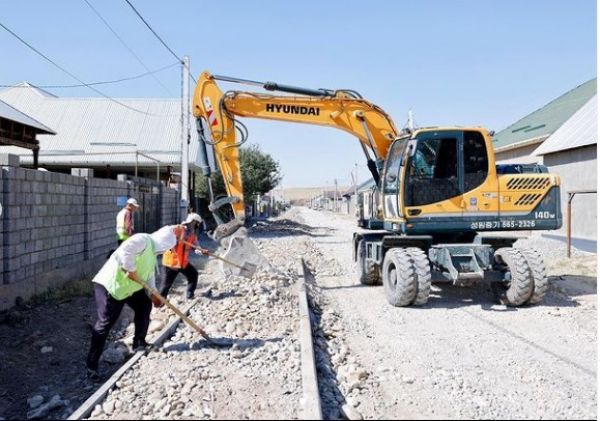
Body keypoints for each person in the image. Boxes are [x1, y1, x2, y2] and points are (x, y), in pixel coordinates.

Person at [86, 225, 178, 380]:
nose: (165, 252)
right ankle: (91, 366)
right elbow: (125, 250)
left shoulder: (152, 255)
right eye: (167, 249)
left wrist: (154, 295)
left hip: (130, 287)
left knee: (144, 305)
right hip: (111, 285)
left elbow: (148, 278)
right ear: (164, 244)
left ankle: (139, 342)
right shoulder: (143, 239)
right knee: (105, 324)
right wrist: (130, 268)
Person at [160, 213, 209, 300]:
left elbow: (195, 248)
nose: (198, 225)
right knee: (166, 284)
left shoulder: (192, 235)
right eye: (197, 223)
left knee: (193, 275)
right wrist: (174, 239)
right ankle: (160, 301)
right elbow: (165, 236)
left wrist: (202, 252)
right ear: (193, 222)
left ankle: (190, 295)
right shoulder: (177, 229)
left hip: (183, 262)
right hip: (171, 262)